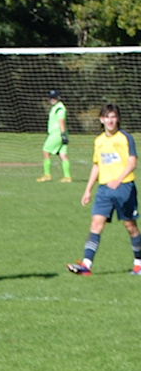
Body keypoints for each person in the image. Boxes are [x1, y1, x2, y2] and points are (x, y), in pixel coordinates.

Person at [66, 103, 140, 276]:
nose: (110, 120)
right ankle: (86, 265)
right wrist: (87, 190)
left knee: (130, 226)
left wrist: (119, 180)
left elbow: (132, 162)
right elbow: (97, 165)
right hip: (104, 190)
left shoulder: (125, 138)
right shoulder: (98, 141)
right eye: (107, 117)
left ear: (118, 119)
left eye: (113, 117)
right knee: (96, 224)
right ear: (101, 119)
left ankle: (139, 263)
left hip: (125, 187)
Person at [40, 90, 70, 183]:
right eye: (51, 97)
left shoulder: (59, 108)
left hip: (57, 133)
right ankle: (67, 177)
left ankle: (47, 175)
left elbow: (61, 121)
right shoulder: (56, 107)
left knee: (45, 151)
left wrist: (63, 134)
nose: (52, 99)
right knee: (62, 155)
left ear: (59, 97)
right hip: (60, 133)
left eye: (54, 97)